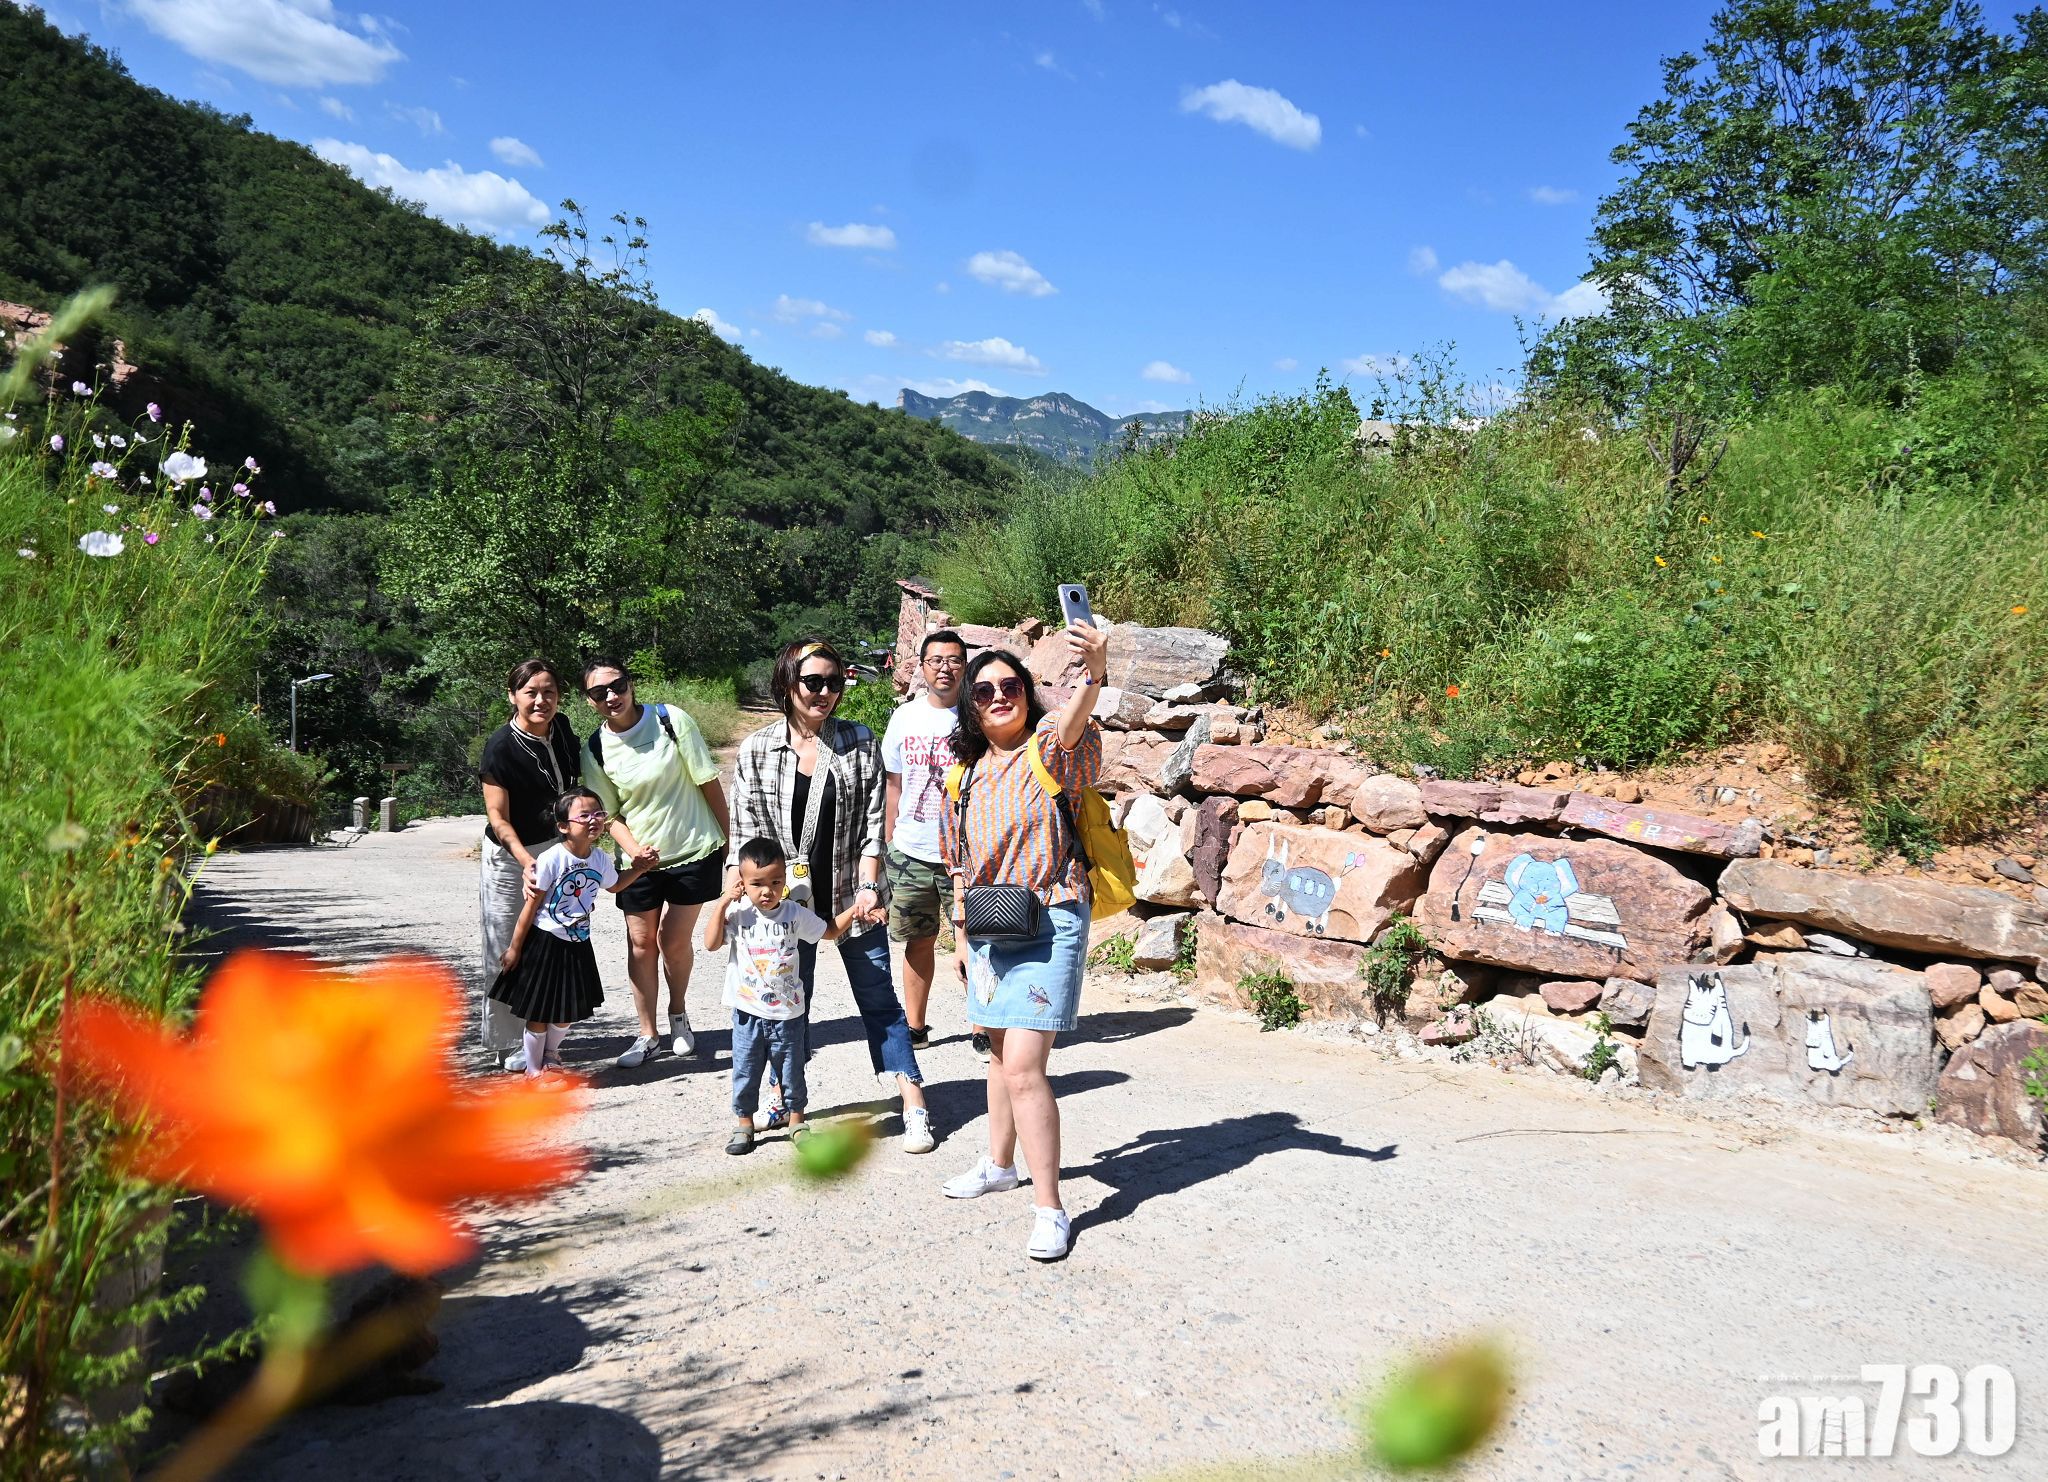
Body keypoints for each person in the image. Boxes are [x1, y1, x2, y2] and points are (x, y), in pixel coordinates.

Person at [937, 622, 1107, 1261]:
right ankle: (999, 1164)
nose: (998, 696)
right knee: (996, 1056)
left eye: (1011, 686)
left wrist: (1092, 675)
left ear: (1028, 695)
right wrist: (958, 934)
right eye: (984, 691)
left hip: (1053, 915)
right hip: (987, 922)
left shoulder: (1046, 748)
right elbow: (957, 862)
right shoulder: (963, 775)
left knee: (1026, 1068)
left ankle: (1050, 1207)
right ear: (971, 707)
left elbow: (1072, 728)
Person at [729, 638, 935, 1154]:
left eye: (834, 682)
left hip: (852, 895)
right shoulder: (758, 748)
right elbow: (746, 832)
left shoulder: (859, 741)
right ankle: (783, 1096)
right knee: (786, 1008)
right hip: (784, 905)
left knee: (879, 1000)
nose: (825, 692)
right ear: (787, 684)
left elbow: (872, 824)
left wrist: (868, 884)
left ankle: (913, 1102)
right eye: (812, 682)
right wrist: (746, 897)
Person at [579, 658, 731, 1069]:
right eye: (599, 692)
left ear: (631, 684)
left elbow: (707, 781)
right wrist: (637, 854)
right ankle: (647, 1034)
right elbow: (608, 815)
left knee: (673, 941)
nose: (612, 696)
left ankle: (678, 1015)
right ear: (589, 700)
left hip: (693, 850)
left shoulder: (670, 720)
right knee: (641, 943)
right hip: (638, 863)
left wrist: (726, 841)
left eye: (618, 685)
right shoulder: (594, 748)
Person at [706, 836, 872, 1156]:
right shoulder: (739, 914)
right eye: (757, 884)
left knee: (792, 1071)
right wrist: (723, 903)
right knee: (746, 1070)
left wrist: (855, 910)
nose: (767, 890)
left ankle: (797, 1122)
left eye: (776, 881)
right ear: (742, 882)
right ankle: (744, 1125)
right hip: (748, 1013)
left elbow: (829, 931)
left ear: (785, 879)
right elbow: (711, 943)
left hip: (788, 1013)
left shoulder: (793, 913)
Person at [491, 787, 659, 1077]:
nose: (593, 820)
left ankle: (551, 1057)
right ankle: (535, 1072)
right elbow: (531, 906)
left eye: (598, 813)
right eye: (584, 815)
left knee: (567, 1011)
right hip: (544, 942)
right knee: (540, 1013)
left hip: (578, 942)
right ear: (563, 826)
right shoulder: (552, 859)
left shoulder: (599, 859)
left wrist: (639, 868)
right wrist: (515, 948)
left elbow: (615, 885)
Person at [478, 658, 582, 1072]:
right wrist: (525, 860)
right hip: (510, 857)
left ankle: (544, 1034)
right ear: (512, 696)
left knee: (555, 943)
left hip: (558, 849)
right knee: (507, 946)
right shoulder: (500, 747)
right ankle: (507, 1043)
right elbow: (497, 816)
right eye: (531, 692)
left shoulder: (564, 729)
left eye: (549, 692)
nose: (541, 700)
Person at [881, 629, 969, 1052]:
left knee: (982, 941)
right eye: (936, 660)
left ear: (964, 666)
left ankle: (985, 1027)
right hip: (912, 846)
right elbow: (893, 785)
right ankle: (915, 1026)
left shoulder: (978, 715)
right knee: (918, 940)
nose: (944, 668)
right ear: (922, 666)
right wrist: (886, 844)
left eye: (953, 660)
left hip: (967, 852)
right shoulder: (905, 717)